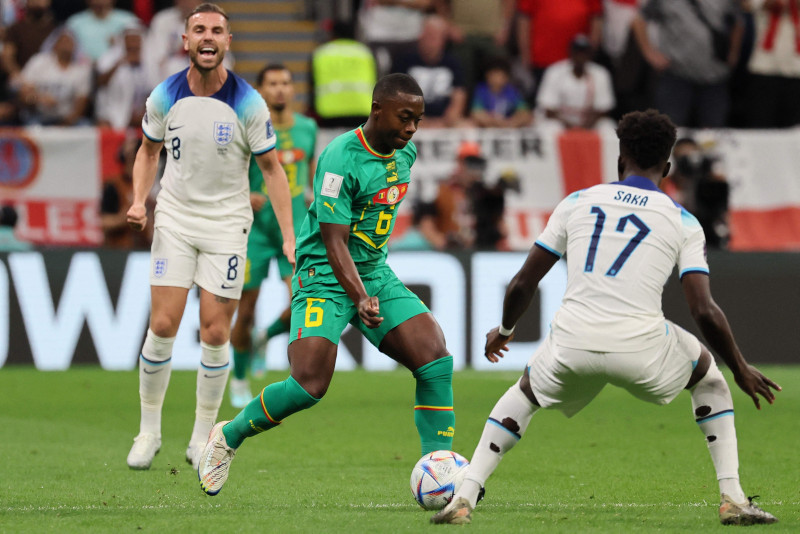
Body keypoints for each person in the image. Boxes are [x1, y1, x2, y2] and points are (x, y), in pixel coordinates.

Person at [431, 109, 780, 526]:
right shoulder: (682, 221)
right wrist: (739, 367)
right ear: (666, 168)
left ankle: (464, 497)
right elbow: (702, 308)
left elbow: (522, 283)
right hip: (642, 346)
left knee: (522, 395)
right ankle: (733, 498)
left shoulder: (577, 202)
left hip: (573, 342)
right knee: (710, 379)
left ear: (619, 159)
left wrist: (505, 330)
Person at [197, 73, 457, 496]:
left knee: (434, 360)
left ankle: (441, 473)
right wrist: (359, 297)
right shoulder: (340, 157)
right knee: (308, 385)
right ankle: (228, 435)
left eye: (418, 120)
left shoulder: (404, 153)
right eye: (404, 117)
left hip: (373, 272)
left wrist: (368, 286)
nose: (411, 128)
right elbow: (333, 239)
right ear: (377, 110)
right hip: (323, 275)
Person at [124, 3, 295, 471]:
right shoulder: (164, 95)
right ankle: (148, 431)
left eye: (217, 30)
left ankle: (202, 437)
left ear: (227, 42)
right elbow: (147, 152)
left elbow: (272, 171)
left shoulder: (249, 102)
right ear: (185, 41)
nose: (207, 36)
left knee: (216, 332)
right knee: (162, 326)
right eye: (198, 29)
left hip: (226, 227)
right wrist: (141, 200)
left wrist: (288, 236)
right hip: (176, 220)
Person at [228, 63, 318, 408]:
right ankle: (238, 377)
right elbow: (229, 173)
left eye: (285, 82)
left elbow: (312, 178)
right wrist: (243, 194)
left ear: (292, 89)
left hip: (295, 231)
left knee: (301, 301)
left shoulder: (308, 128)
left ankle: (264, 338)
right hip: (254, 233)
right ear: (261, 91)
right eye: (272, 84)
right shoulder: (249, 127)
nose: (280, 89)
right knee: (245, 311)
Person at [394, 15, 467, 128]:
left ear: (443, 40)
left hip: (445, 121)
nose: (430, 41)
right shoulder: (405, 61)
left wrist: (448, 119)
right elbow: (398, 96)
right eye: (427, 35)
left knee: (468, 128)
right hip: (412, 120)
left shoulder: (453, 63)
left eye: (434, 36)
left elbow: (459, 95)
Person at [535, 34, 616, 130]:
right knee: (551, 128)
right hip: (561, 120)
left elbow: (604, 109)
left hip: (589, 121)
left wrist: (584, 127)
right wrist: (570, 127)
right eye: (577, 52)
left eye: (584, 52)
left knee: (608, 127)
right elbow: (549, 110)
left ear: (590, 54)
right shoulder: (554, 71)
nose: (580, 56)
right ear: (571, 53)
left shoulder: (600, 73)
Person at [16, 27, 92, 126]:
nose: (66, 45)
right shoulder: (39, 62)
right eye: (62, 41)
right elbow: (23, 95)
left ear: (76, 46)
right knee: (32, 127)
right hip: (38, 116)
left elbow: (81, 102)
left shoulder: (82, 69)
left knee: (85, 126)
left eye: (69, 42)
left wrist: (65, 124)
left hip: (67, 118)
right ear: (54, 45)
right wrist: (38, 98)